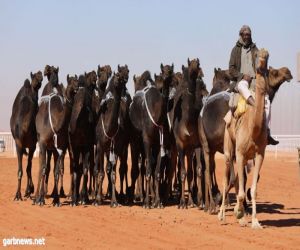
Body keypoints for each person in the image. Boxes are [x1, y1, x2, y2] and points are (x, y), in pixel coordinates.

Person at [229, 25, 279, 145]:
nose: (247, 37)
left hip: (255, 82)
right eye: (245, 34)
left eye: (249, 35)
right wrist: (242, 76)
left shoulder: (255, 50)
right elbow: (231, 70)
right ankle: (255, 105)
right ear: (241, 35)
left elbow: (261, 68)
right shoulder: (235, 50)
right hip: (242, 81)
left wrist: (264, 60)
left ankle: (267, 131)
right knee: (241, 86)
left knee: (267, 101)